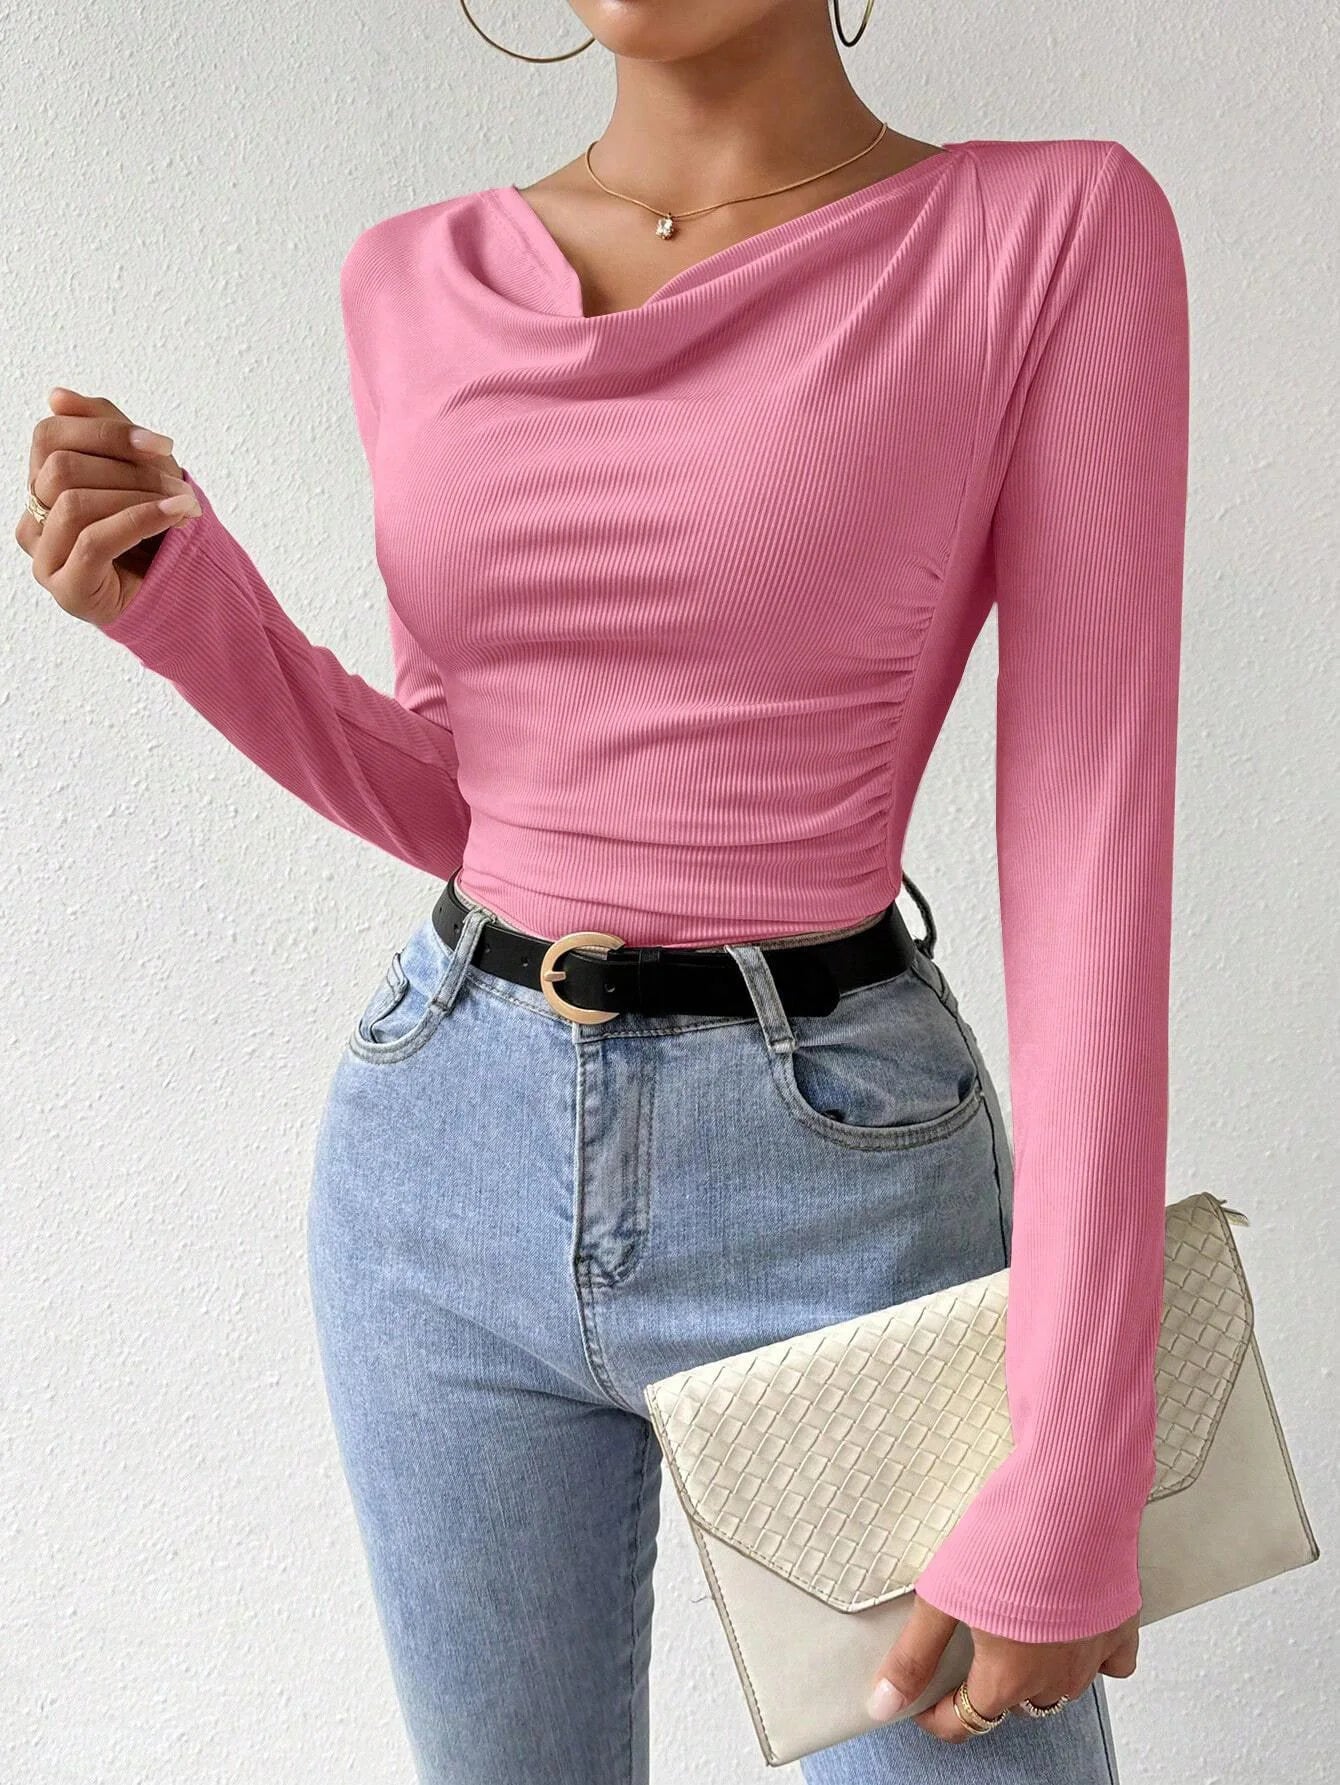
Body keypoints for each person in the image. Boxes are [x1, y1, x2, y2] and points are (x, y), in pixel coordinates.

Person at [18, 1, 1188, 1778]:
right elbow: (475, 803)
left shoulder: (1047, 231)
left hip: (836, 1179)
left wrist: (1083, 1450)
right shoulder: (412, 277)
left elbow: (1091, 828)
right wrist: (185, 603)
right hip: (439, 1158)